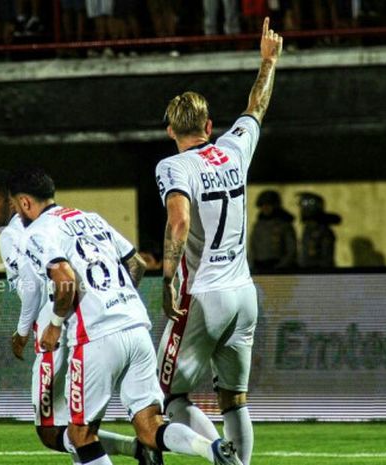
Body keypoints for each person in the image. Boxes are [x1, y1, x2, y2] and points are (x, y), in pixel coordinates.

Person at [11, 168, 242, 465]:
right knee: (150, 426)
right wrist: (115, 298)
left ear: (26, 203)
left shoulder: (38, 232)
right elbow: (137, 263)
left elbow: (64, 280)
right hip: (135, 326)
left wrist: (55, 325)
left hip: (94, 337)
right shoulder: (90, 218)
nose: (18, 213)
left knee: (80, 433)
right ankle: (210, 448)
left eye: (17, 206)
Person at [154, 17, 283, 465]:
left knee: (167, 395)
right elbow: (256, 108)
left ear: (171, 131)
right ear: (209, 124)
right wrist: (267, 64)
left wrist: (168, 278)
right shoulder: (233, 148)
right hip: (244, 292)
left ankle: (216, 453)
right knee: (235, 398)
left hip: (203, 296)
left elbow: (178, 222)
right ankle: (239, 463)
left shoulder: (175, 167)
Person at [0, 169, 162, 465]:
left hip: (60, 335)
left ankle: (136, 450)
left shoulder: (14, 235)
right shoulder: (64, 220)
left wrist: (24, 331)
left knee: (55, 430)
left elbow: (34, 291)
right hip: (103, 326)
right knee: (78, 426)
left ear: (15, 203)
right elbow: (133, 263)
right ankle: (143, 449)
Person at [249, 189, 297, 272]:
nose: (265, 208)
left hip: (279, 267)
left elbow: (291, 249)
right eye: (262, 205)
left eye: (268, 205)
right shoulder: (258, 226)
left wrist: (282, 266)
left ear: (275, 206)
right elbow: (252, 247)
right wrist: (253, 264)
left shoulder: (284, 225)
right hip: (260, 266)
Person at [297, 191, 341, 268]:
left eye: (303, 206)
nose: (301, 210)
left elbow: (326, 260)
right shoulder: (307, 230)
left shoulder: (323, 231)